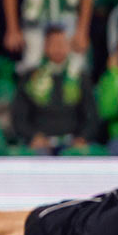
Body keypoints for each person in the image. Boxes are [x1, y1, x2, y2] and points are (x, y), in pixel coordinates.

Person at [10, 26, 99, 155]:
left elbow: (92, 116)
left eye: (62, 43)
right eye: (53, 44)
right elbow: (19, 116)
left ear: (69, 46)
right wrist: (33, 136)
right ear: (45, 47)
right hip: (40, 143)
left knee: (79, 157)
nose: (58, 48)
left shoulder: (80, 77)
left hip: (73, 142)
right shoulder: (30, 77)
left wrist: (82, 138)